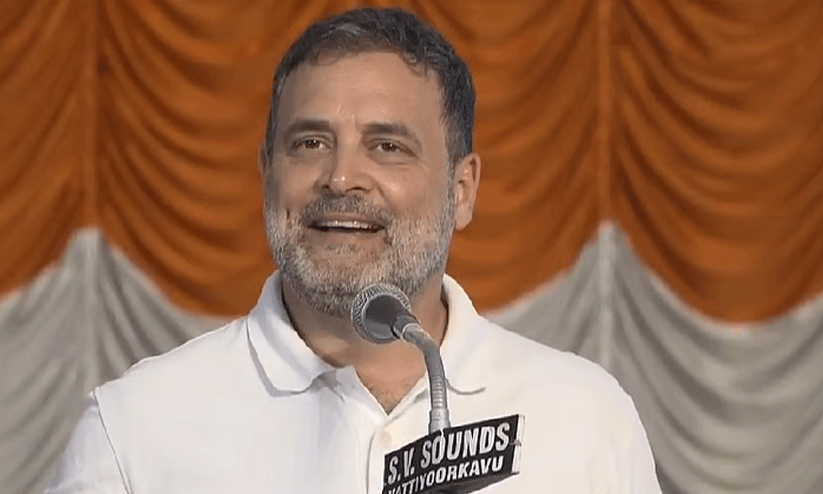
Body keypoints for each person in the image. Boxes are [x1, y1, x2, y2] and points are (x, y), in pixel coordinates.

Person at [45, 7, 661, 493]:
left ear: (462, 190)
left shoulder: (586, 419)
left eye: (387, 147)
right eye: (310, 143)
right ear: (266, 173)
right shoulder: (133, 430)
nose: (340, 178)